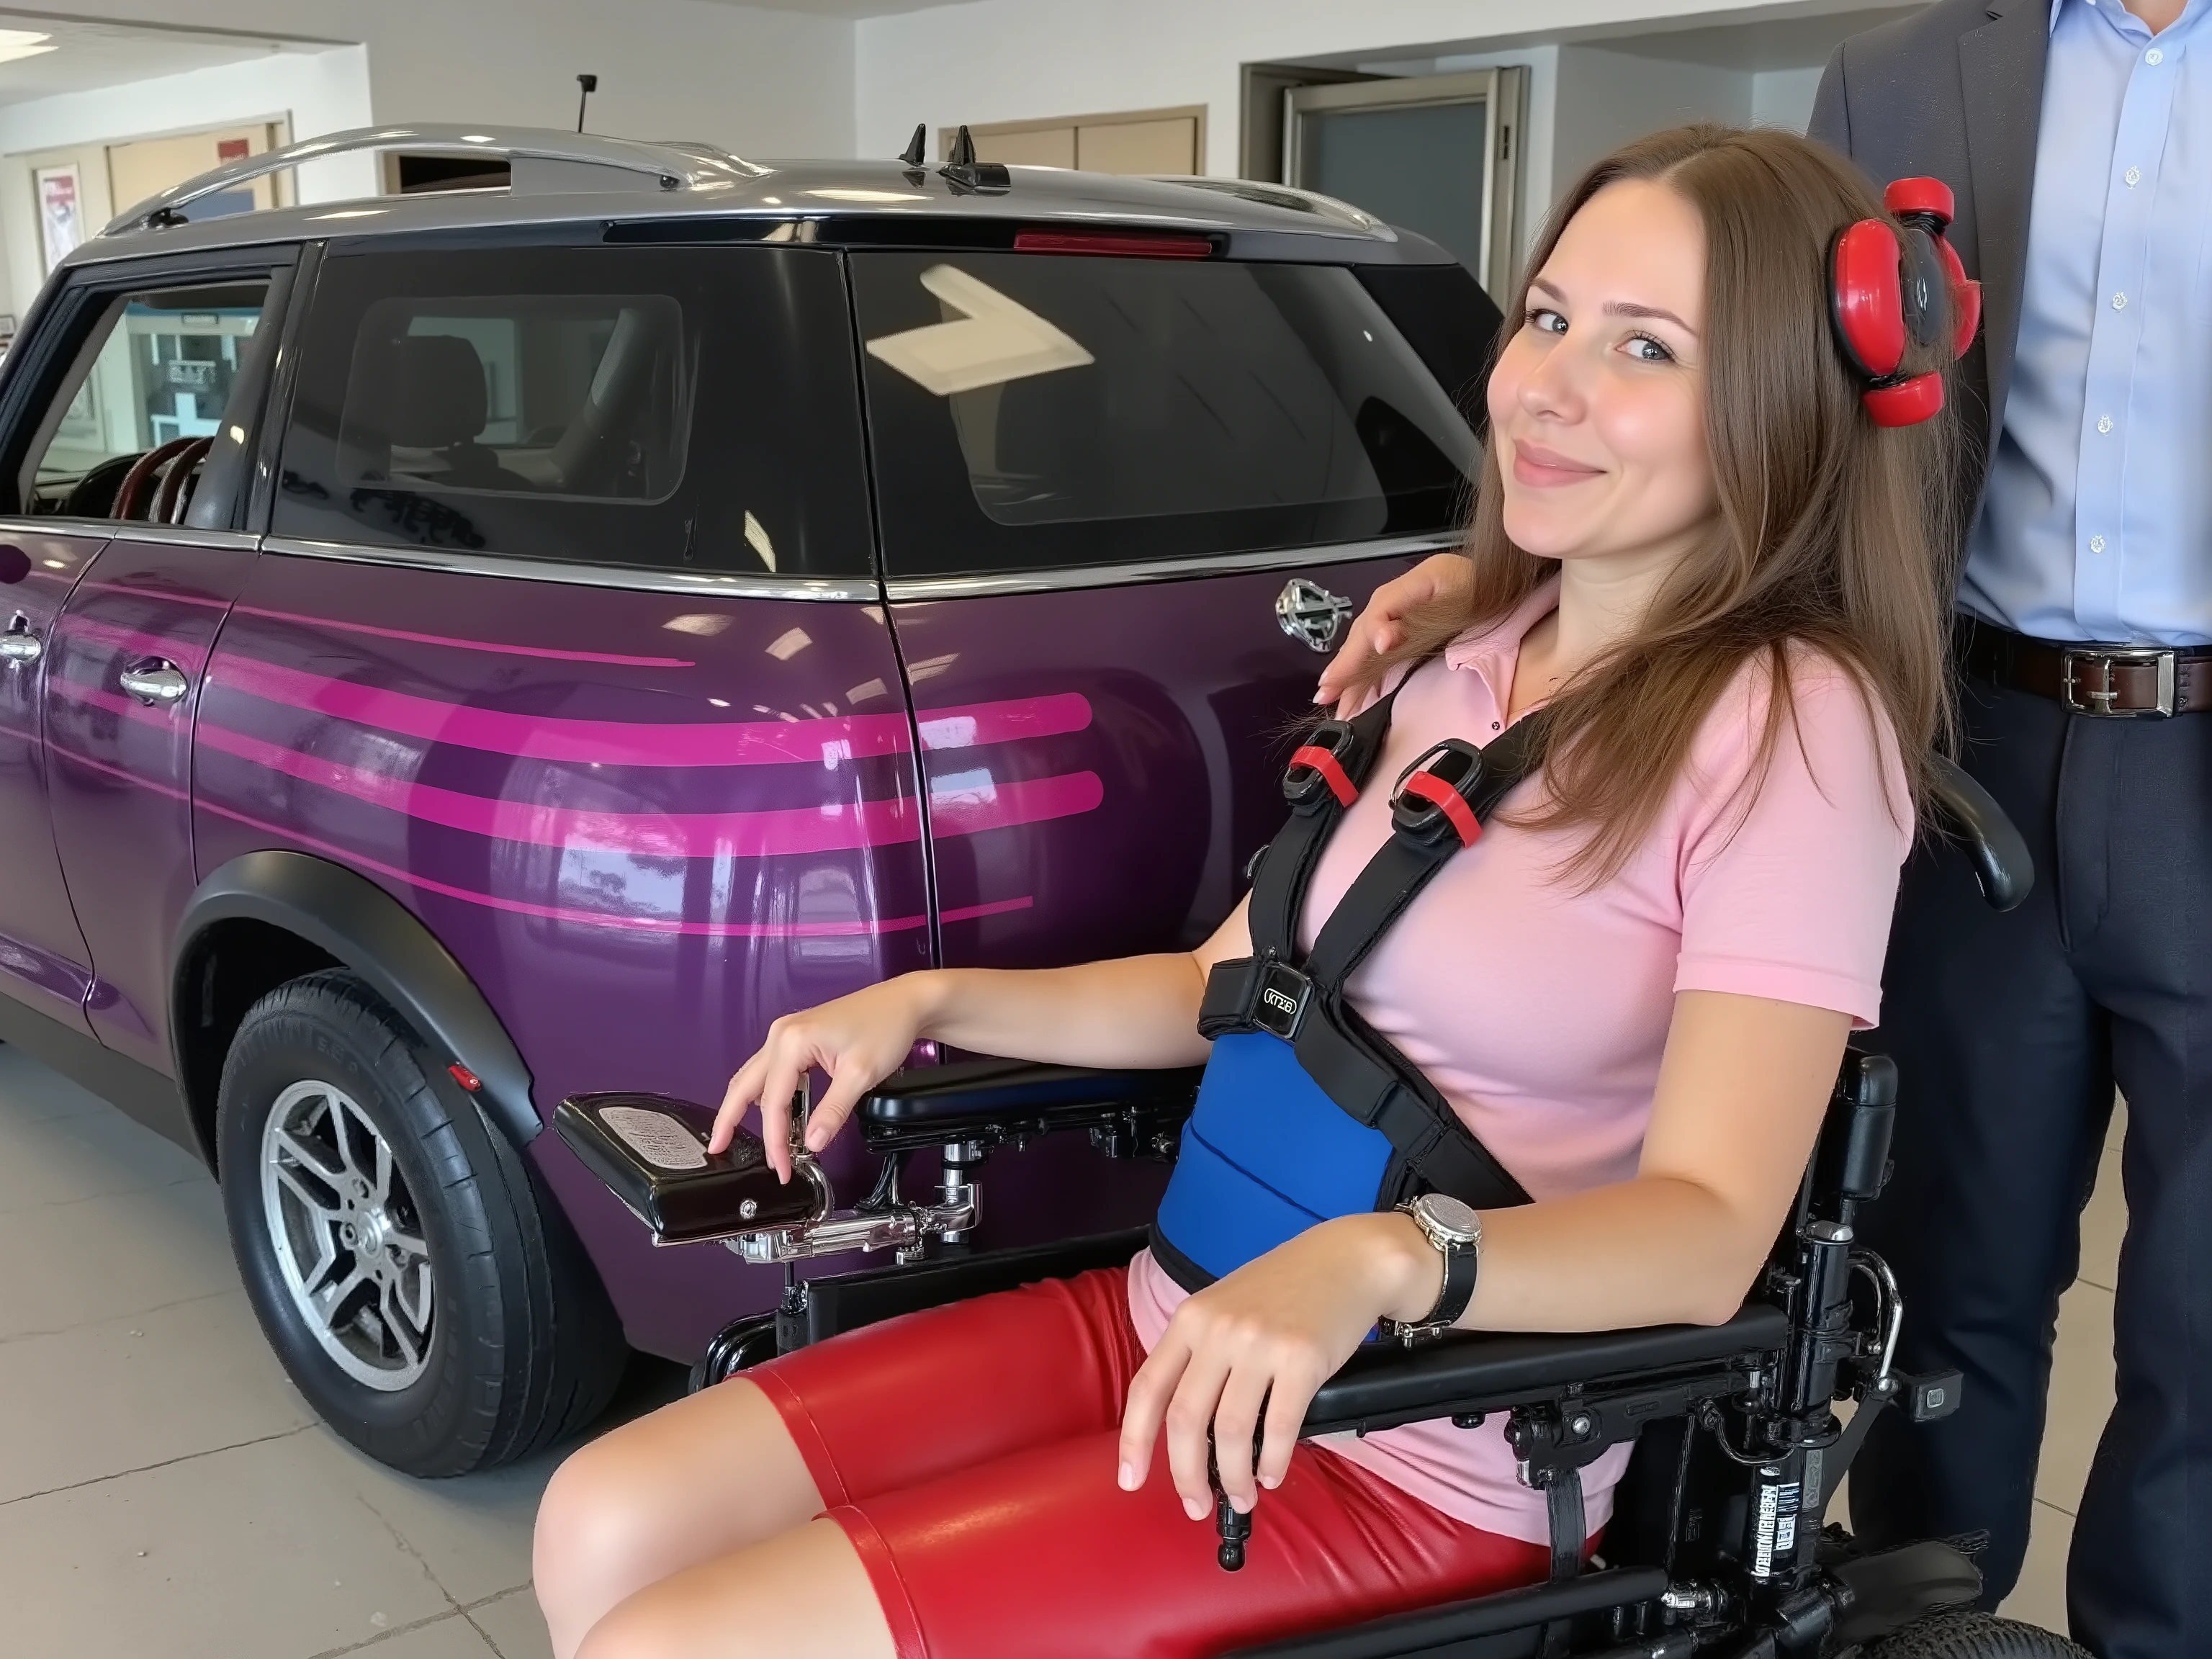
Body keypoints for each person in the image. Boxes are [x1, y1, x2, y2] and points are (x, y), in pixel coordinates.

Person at [530, 124, 1959, 1659]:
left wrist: (1384, 1257)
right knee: (602, 1523)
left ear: (1778, 408)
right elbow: (1225, 991)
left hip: (1419, 1443)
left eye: (1644, 349)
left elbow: (1708, 1232)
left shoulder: (1792, 728)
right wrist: (925, 1002)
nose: (1547, 385)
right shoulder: (1460, 658)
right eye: (1545, 317)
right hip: (1179, 1317)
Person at [1336, 8, 2211, 1654]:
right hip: (1963, 727)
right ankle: (1922, 1624)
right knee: (1946, 1264)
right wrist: (1521, 577)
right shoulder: (1902, 75)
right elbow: (1776, 428)